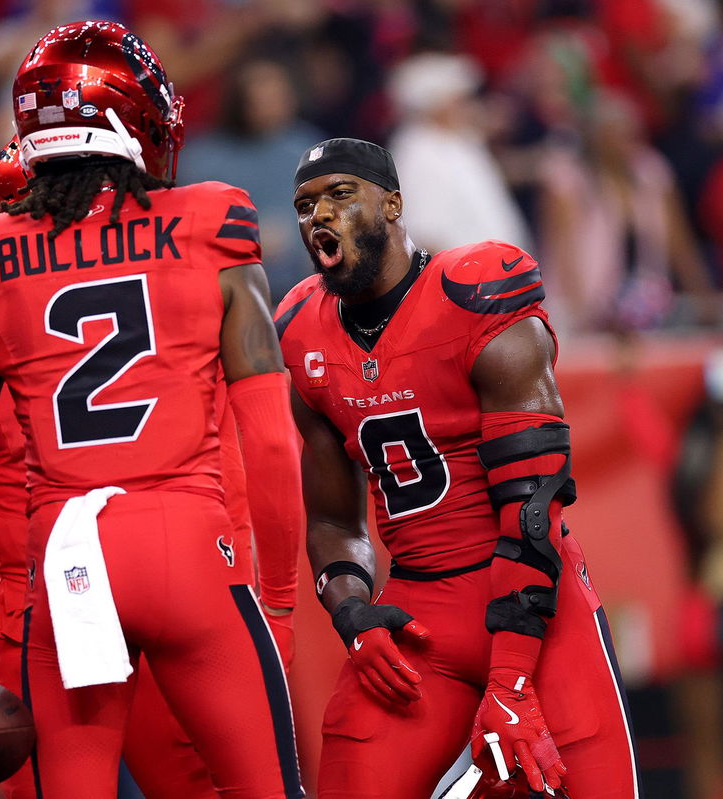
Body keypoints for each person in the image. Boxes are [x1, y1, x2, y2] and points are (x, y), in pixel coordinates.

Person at [0, 20, 304, 799]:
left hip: (66, 566)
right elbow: (270, 440)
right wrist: (285, 601)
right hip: (193, 548)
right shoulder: (211, 221)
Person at [277, 137, 641, 798]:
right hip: (421, 613)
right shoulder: (302, 328)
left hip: (536, 602)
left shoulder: (475, 291)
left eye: (339, 194)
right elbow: (333, 516)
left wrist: (511, 678)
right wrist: (351, 607)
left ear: (392, 204)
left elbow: (535, 503)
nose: (318, 216)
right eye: (304, 205)